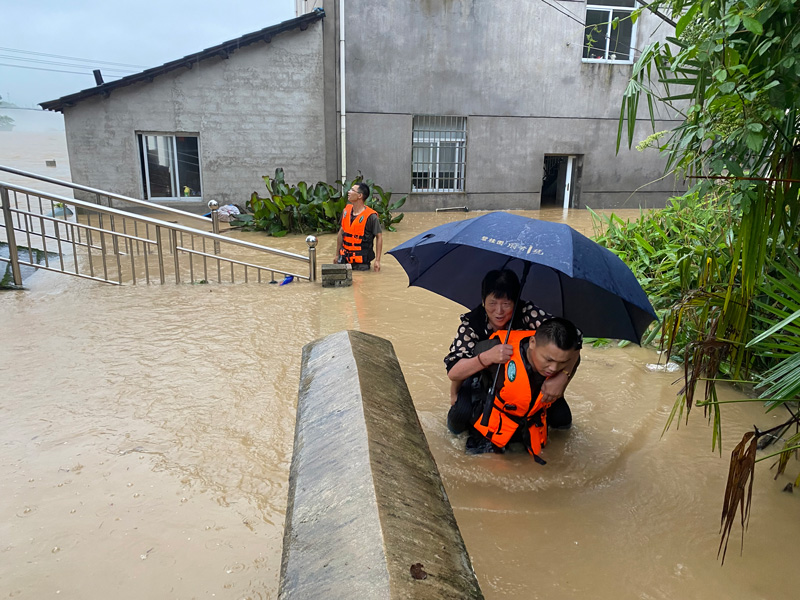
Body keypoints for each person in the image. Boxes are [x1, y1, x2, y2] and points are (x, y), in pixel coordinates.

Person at [444, 269, 574, 409]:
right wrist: (488, 357)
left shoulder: (526, 312)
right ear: (483, 301)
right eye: (492, 303)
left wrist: (562, 377)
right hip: (482, 378)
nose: (499, 311)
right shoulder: (472, 324)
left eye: (506, 304)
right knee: (460, 415)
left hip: (527, 378)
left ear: (515, 302)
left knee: (561, 416)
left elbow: (574, 337)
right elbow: (453, 372)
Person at [466, 318, 582, 462]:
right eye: (548, 360)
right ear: (532, 343)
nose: (554, 368)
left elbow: (576, 357)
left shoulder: (565, 360)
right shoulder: (494, 349)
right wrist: (454, 394)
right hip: (497, 415)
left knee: (563, 422)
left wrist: (564, 376)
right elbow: (458, 373)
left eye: (562, 363)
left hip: (532, 415)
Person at [333, 182, 383, 271]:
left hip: (361, 263)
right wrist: (337, 255)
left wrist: (377, 261)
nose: (349, 192)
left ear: (360, 195)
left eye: (352, 190)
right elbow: (341, 232)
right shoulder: (346, 211)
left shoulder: (371, 217)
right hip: (344, 259)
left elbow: (379, 237)